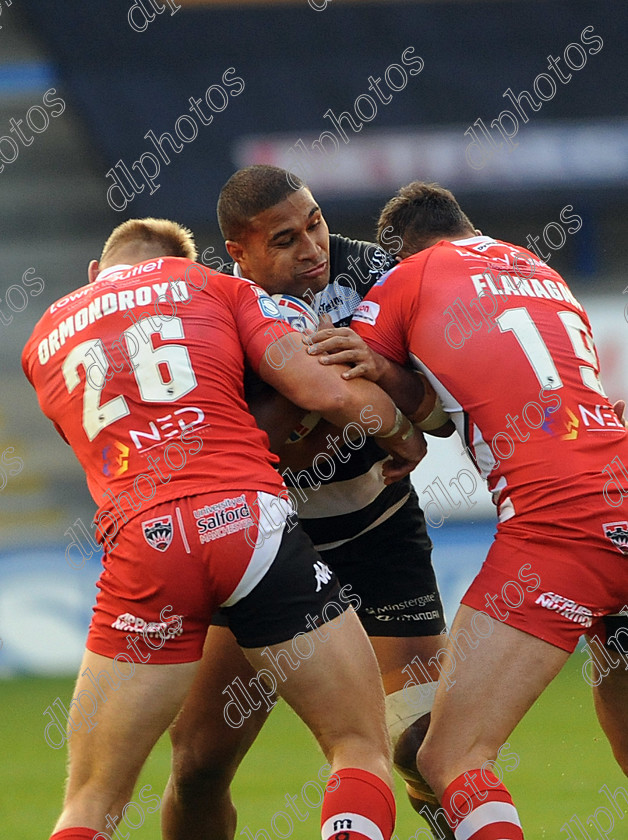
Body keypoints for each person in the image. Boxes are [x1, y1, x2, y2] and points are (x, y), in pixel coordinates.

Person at [22, 218, 429, 840]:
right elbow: (328, 390)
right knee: (357, 745)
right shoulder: (214, 287)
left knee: (93, 799)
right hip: (247, 523)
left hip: (145, 541)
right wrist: (404, 437)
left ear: (95, 276)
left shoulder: (44, 336)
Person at [162, 165, 455, 840]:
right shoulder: (213, 306)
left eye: (316, 222)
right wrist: (304, 413)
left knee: (427, 752)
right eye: (286, 239)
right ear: (240, 251)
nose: (313, 248)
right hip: (270, 545)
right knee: (198, 764)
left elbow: (444, 419)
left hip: (380, 533)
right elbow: (229, 442)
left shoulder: (380, 273)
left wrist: (383, 376)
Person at [345, 181, 628, 838]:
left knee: (448, 756)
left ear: (401, 250)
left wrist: (395, 418)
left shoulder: (406, 278)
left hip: (561, 524)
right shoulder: (543, 274)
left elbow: (349, 382)